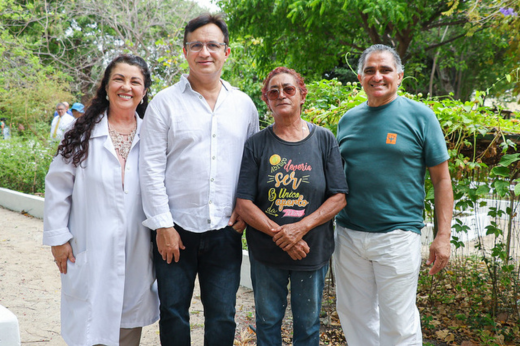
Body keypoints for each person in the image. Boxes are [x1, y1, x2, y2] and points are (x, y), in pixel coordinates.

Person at [139, 14, 259, 346]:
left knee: (222, 314)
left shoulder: (244, 106)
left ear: (226, 52)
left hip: (225, 232)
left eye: (212, 45)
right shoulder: (164, 103)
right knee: (174, 312)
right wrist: (162, 225)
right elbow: (149, 168)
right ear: (185, 51)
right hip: (174, 230)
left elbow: (252, 165)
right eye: (196, 45)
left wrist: (244, 209)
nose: (204, 52)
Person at [334, 44, 454, 346]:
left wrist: (444, 235)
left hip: (397, 235)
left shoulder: (421, 117)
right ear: (361, 77)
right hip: (348, 235)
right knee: (353, 314)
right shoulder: (347, 120)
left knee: (398, 323)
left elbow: (441, 179)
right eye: (370, 70)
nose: (378, 76)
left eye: (385, 70)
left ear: (399, 76)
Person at [43, 54, 159, 346]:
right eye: (119, 78)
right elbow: (58, 187)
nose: (126, 87)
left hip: (136, 251)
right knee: (88, 329)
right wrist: (58, 239)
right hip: (89, 249)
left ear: (144, 91)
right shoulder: (80, 133)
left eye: (135, 81)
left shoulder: (154, 135)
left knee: (127, 330)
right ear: (106, 85)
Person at [235, 67, 348, 345]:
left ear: (301, 95)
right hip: (266, 253)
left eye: (288, 89)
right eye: (273, 91)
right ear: (266, 100)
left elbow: (339, 196)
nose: (281, 95)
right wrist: (282, 235)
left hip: (311, 252)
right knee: (267, 322)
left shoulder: (324, 140)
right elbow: (244, 203)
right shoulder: (256, 144)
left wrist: (300, 228)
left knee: (308, 325)